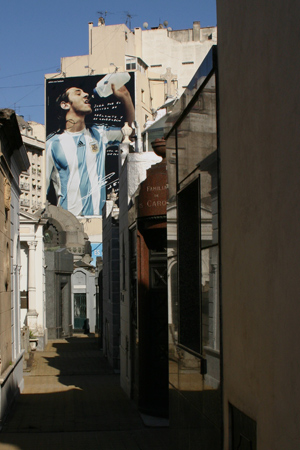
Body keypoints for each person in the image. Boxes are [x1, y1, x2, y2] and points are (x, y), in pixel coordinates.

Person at [46, 82, 134, 216]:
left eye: (84, 92)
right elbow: (43, 189)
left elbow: (130, 132)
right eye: (78, 93)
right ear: (65, 105)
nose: (86, 95)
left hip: (98, 222)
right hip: (67, 222)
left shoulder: (99, 134)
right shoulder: (52, 144)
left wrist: (126, 97)